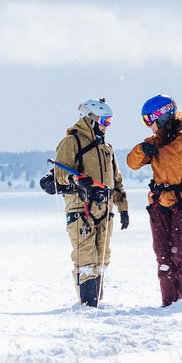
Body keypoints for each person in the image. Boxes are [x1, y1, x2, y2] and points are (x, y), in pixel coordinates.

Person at [127, 95, 182, 311]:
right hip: (159, 206)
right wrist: (141, 150)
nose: (148, 126)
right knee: (163, 256)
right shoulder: (153, 142)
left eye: (148, 120)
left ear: (161, 116)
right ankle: (170, 303)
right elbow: (132, 163)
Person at [54, 98, 129, 307]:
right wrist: (76, 179)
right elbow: (60, 173)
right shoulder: (71, 142)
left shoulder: (107, 148)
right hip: (81, 206)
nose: (107, 126)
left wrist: (123, 208)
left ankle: (97, 302)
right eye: (104, 120)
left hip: (105, 209)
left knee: (103, 256)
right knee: (86, 255)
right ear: (90, 118)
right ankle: (88, 305)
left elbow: (116, 181)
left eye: (110, 121)